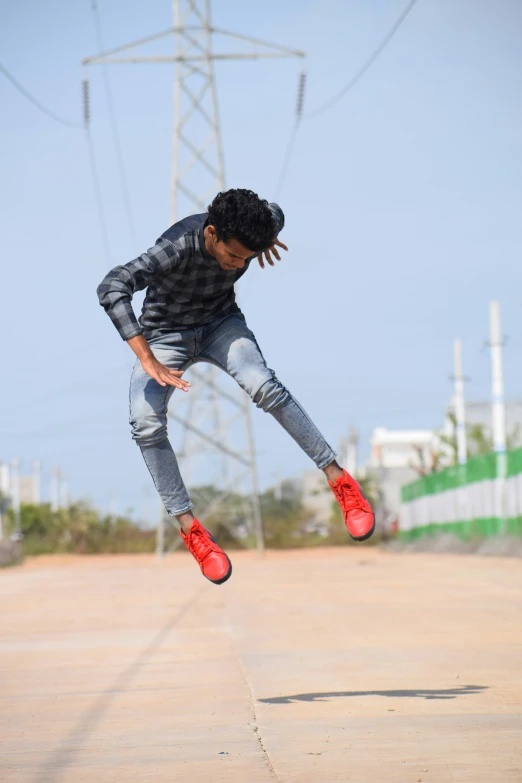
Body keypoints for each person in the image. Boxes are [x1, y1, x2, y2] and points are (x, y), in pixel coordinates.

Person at [97, 189, 374, 585]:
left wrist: (264, 240)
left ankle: (340, 480)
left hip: (220, 325)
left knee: (264, 386)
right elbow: (112, 286)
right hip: (164, 337)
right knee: (144, 422)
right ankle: (192, 530)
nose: (236, 265)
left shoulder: (261, 225)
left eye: (247, 259)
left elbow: (276, 212)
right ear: (211, 234)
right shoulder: (175, 248)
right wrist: (146, 357)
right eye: (233, 256)